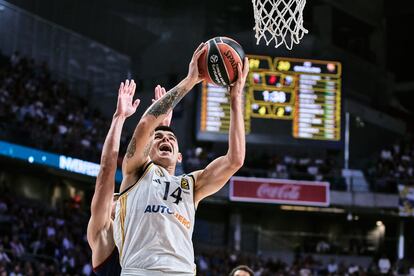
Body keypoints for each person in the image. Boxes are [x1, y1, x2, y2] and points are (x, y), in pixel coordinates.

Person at [114, 43, 249, 275]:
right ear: (148, 149)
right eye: (159, 138)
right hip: (140, 270)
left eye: (171, 138)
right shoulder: (136, 171)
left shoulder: (191, 185)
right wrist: (190, 81)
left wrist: (235, 100)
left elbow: (235, 160)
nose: (165, 139)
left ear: (179, 156)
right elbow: (146, 124)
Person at [87, 80, 171, 275]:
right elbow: (106, 170)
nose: (123, 200)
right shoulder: (103, 233)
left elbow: (158, 180)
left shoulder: (144, 229)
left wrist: (162, 129)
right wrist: (119, 117)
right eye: (117, 198)